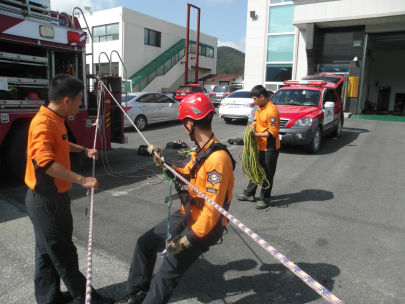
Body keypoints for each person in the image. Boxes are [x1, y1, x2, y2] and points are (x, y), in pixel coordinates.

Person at [118, 93, 235, 304]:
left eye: (183, 123)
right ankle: (137, 293)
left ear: (190, 123)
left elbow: (211, 213)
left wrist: (185, 241)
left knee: (167, 271)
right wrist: (162, 162)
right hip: (187, 213)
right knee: (144, 243)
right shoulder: (202, 151)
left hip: (205, 226)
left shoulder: (218, 159)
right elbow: (183, 175)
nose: (183, 127)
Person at [24, 74, 114, 304]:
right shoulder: (43, 123)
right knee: (63, 252)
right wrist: (82, 180)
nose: (80, 104)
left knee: (46, 252)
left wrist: (83, 149)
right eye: (79, 99)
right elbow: (44, 163)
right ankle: (89, 299)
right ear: (66, 100)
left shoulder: (55, 118)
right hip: (45, 199)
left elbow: (61, 142)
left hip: (52, 198)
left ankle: (49, 297)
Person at [237, 85, 280, 210]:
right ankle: (249, 194)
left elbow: (273, 133)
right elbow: (256, 119)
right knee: (255, 169)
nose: (254, 101)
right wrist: (252, 125)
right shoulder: (260, 107)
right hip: (259, 145)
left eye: (255, 98)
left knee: (267, 174)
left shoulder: (272, 111)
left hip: (270, 148)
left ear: (262, 96)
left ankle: (265, 199)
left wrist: (256, 134)